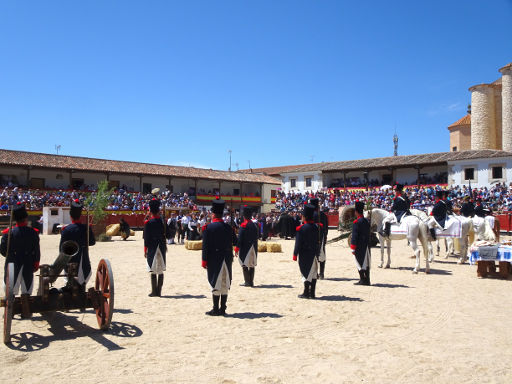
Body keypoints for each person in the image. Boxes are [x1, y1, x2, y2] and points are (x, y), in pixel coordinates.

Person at [0, 202, 40, 318]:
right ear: (26, 218)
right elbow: (36, 251)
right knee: (26, 286)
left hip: (12, 262)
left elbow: (3, 251)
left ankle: (10, 310)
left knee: (11, 286)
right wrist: (36, 263)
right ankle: (25, 310)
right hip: (27, 263)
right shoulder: (33, 233)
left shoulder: (8, 234)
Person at [202, 199, 234, 316]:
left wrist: (204, 260)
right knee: (225, 283)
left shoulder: (208, 228)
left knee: (216, 283)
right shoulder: (228, 228)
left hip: (214, 259)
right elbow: (234, 241)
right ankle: (223, 308)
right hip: (226, 258)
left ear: (213, 214)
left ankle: (216, 309)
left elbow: (205, 246)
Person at [60, 199, 96, 288]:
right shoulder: (86, 228)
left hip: (69, 265)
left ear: (70, 216)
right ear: (80, 215)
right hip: (84, 265)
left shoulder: (66, 230)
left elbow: (61, 250)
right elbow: (92, 242)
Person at [292, 204, 320, 299]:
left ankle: (306, 292)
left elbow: (298, 243)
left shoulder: (301, 229)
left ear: (304, 217)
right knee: (313, 273)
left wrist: (295, 254)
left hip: (304, 254)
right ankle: (312, 293)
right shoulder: (316, 227)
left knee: (305, 273)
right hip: (314, 253)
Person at [143, 198, 166, 297]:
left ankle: (154, 291)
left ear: (150, 211)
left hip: (152, 247)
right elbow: (167, 234)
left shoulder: (148, 223)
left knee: (152, 269)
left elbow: (146, 239)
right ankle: (159, 291)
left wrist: (145, 250)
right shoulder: (162, 221)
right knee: (160, 270)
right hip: (161, 246)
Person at [235, 205, 258, 287]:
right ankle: (251, 282)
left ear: (244, 216)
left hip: (245, 248)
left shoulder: (243, 225)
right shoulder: (254, 225)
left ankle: (247, 282)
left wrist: (237, 248)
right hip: (253, 247)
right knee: (252, 264)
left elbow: (240, 238)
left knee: (244, 264)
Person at [350, 201, 371, 285]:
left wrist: (352, 247)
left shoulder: (356, 222)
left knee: (359, 262)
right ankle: (367, 279)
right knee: (366, 262)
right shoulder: (366, 221)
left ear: (356, 212)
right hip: (366, 245)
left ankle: (362, 279)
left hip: (359, 246)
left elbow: (355, 236)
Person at [310, 198, 328, 279]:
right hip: (321, 236)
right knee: (322, 255)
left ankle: (315, 273)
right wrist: (325, 236)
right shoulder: (323, 215)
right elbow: (326, 228)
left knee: (312, 256)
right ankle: (321, 273)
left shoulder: (310, 215)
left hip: (312, 237)